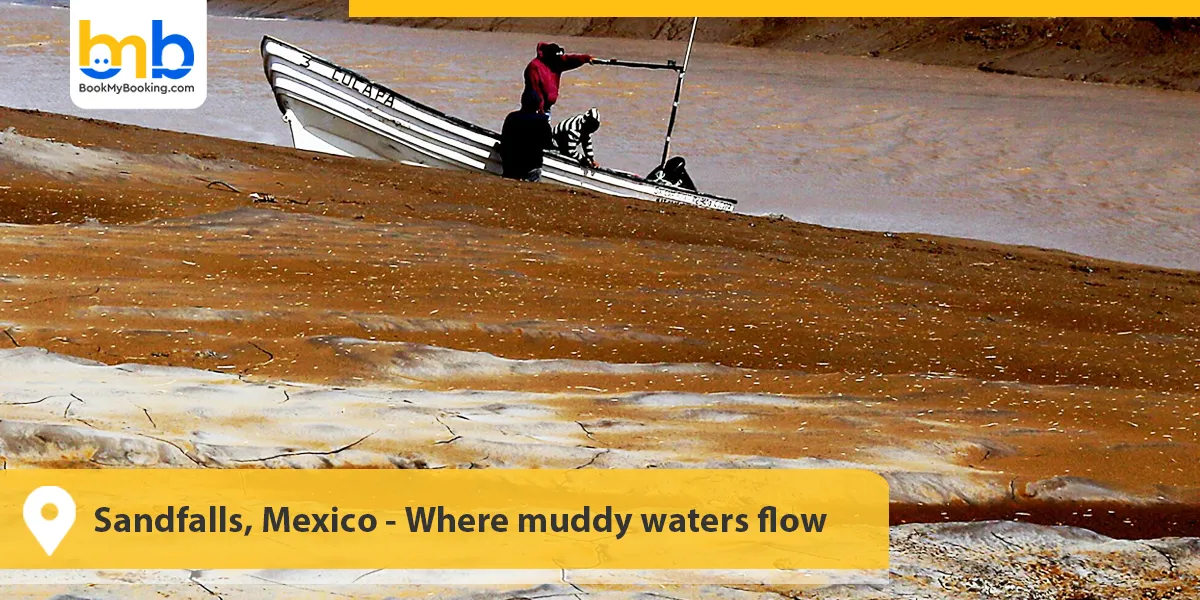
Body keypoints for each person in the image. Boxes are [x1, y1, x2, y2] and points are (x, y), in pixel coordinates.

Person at [521, 42, 593, 117]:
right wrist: (540, 111)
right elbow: (535, 90)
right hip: (534, 108)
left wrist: (586, 58)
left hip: (546, 108)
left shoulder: (556, 63)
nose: (559, 59)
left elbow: (570, 60)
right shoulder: (534, 66)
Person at [500, 109, 551, 182]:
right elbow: (548, 144)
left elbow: (504, 140)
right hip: (532, 166)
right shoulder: (541, 121)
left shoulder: (512, 117)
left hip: (511, 164)